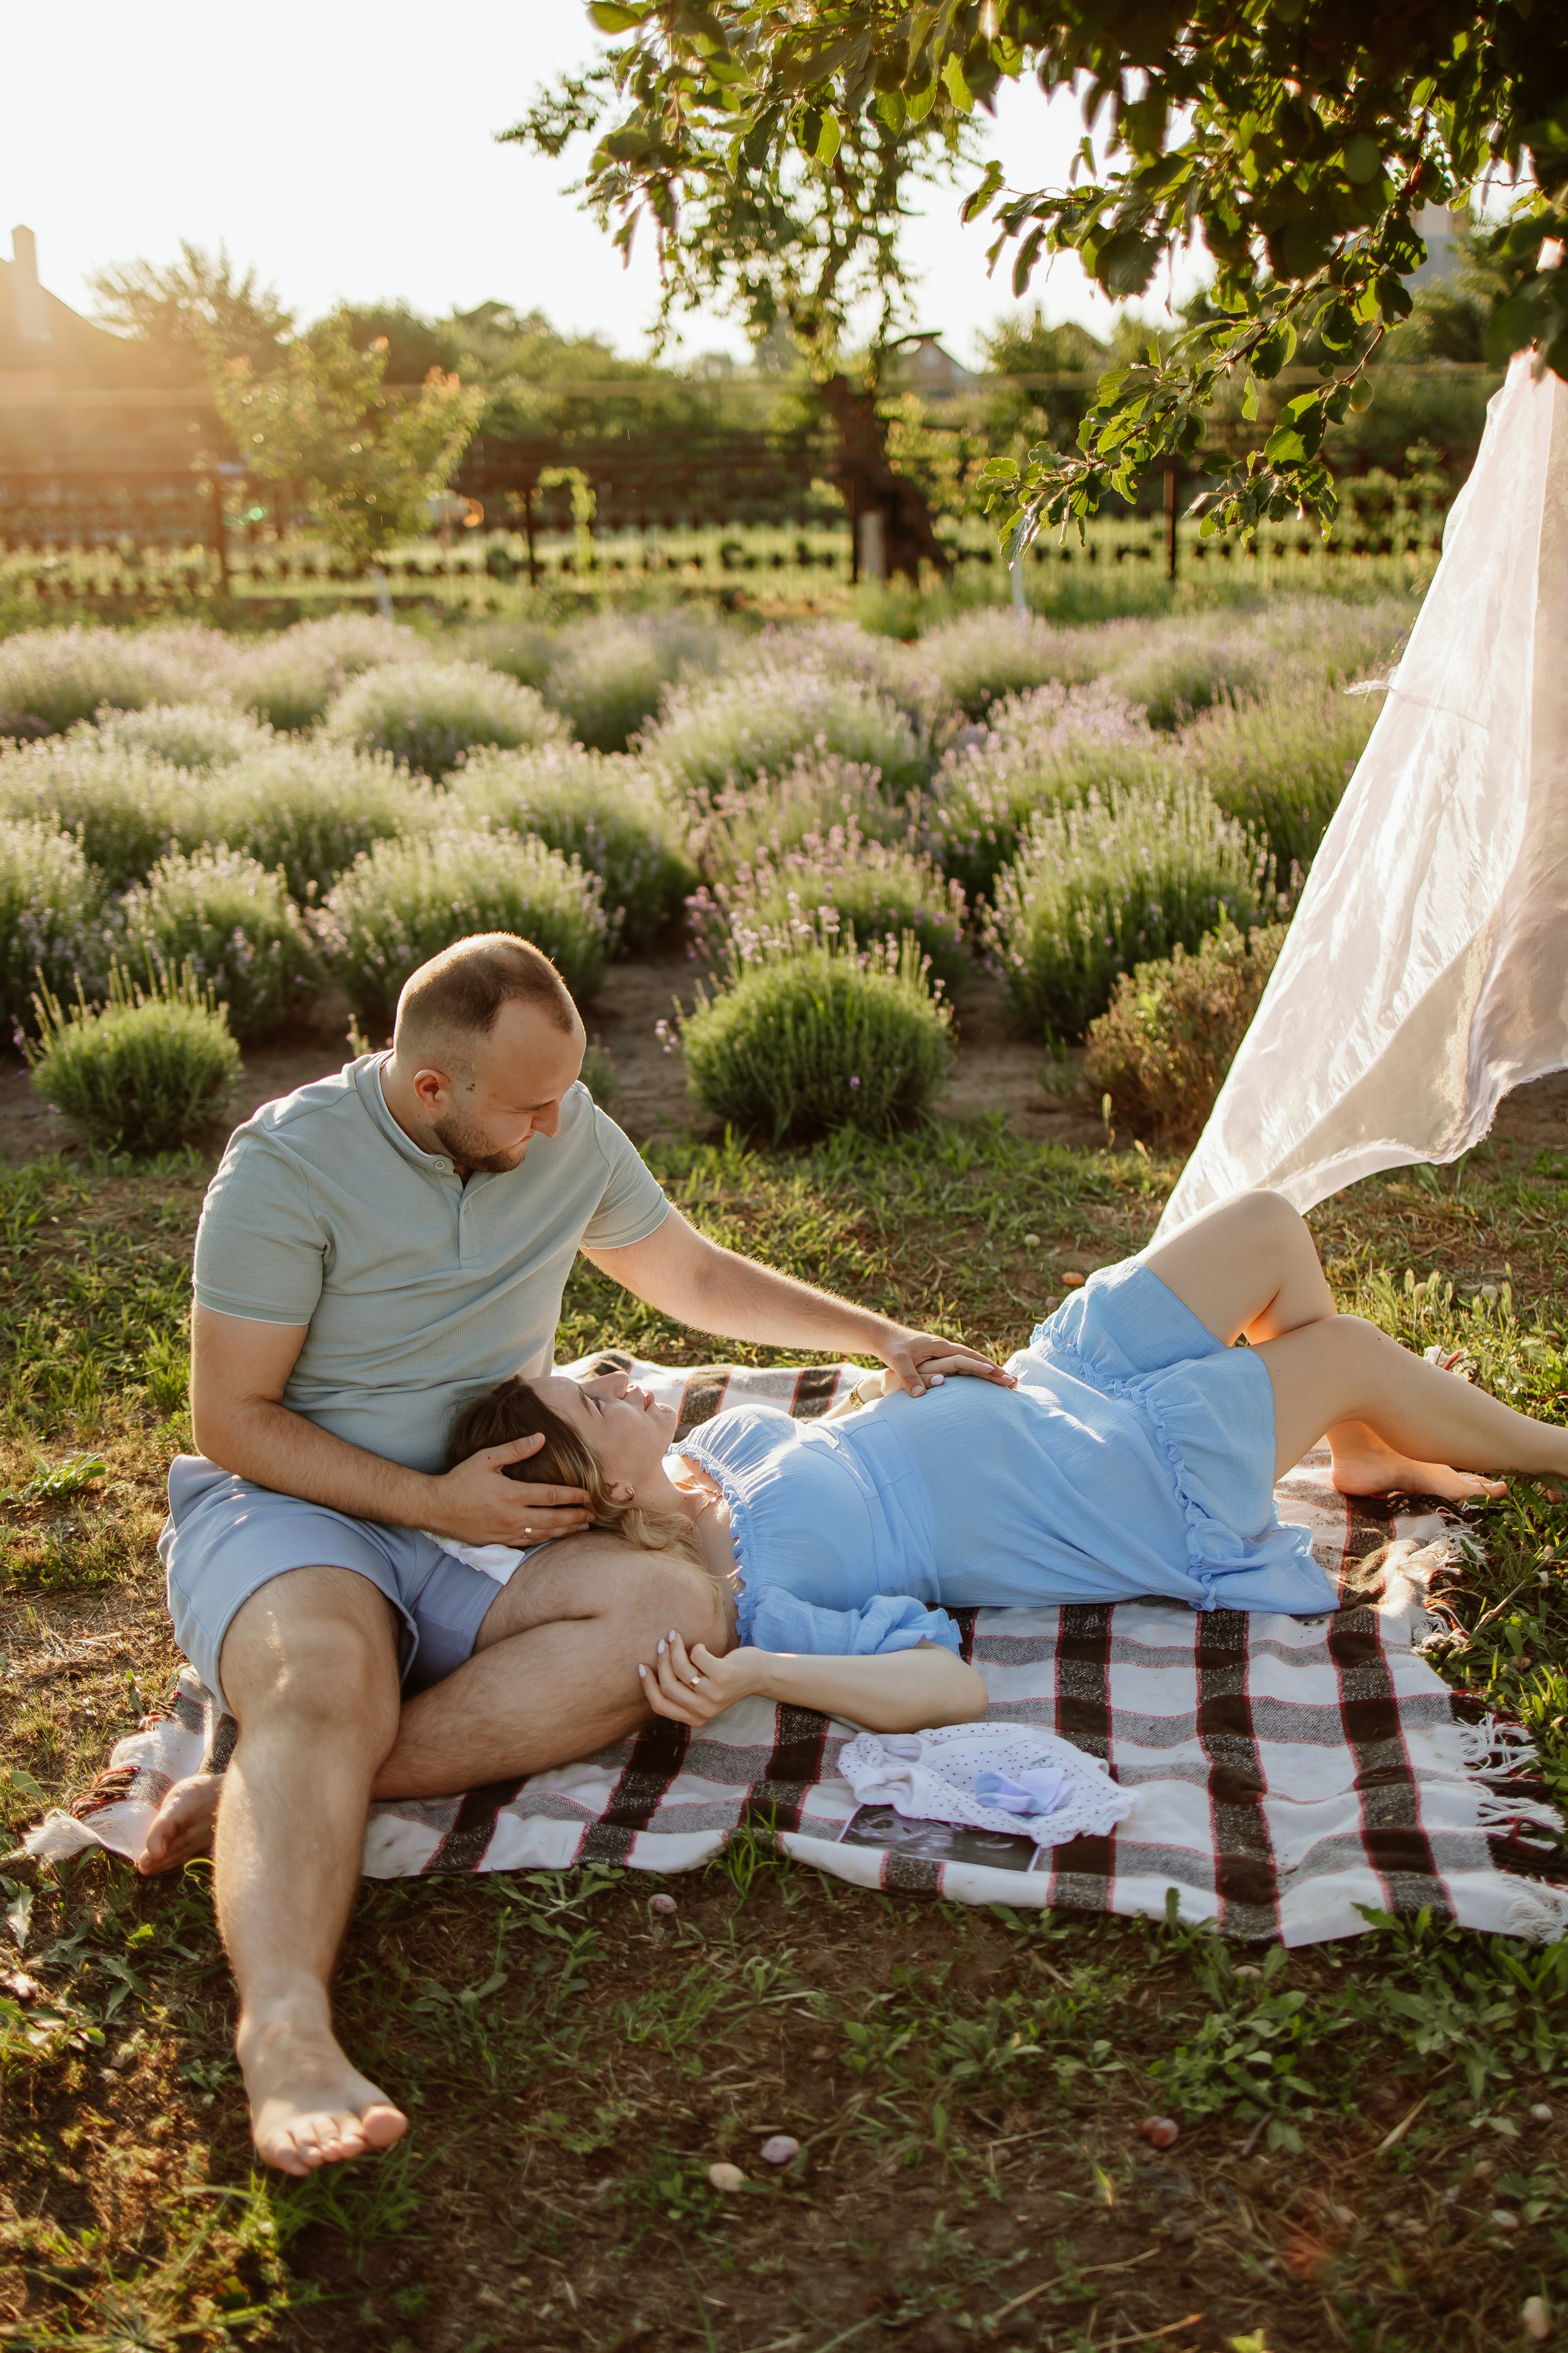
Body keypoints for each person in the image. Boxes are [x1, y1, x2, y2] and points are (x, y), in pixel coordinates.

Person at [144, 930, 1011, 2180]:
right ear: (430, 1088)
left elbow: (689, 1270)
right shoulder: (285, 1168)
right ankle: (286, 2037)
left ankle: (280, 1796)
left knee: (673, 1606)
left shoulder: (561, 1124)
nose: (561, 1128)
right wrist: (426, 1502)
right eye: (530, 1106)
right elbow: (234, 1420)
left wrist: (882, 1332)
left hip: (497, 1504)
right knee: (324, 1680)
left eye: (567, 1095)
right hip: (303, 1507)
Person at [437, 1189, 1561, 1754]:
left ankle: (1360, 1445)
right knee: (1346, 1350)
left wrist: (897, 1374)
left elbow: (859, 1439)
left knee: (1267, 1226)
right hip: (1110, 1485)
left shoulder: (705, 1445)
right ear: (609, 1495)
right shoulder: (756, 1602)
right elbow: (951, 1687)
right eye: (596, 1400)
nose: (624, 1380)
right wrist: (760, 1676)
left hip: (1059, 1379)